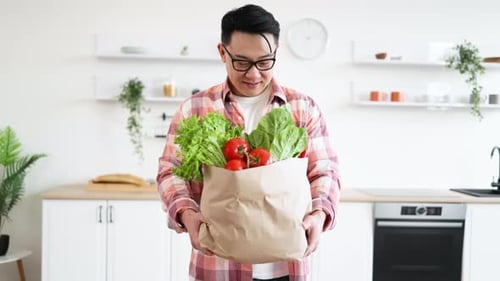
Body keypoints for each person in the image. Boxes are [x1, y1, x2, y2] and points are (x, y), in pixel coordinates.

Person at [157, 4, 341, 281]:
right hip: (218, 264)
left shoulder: (303, 108)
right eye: (241, 62)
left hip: (286, 265)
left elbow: (324, 171)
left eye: (265, 61)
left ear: (276, 53)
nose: (253, 74)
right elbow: (171, 171)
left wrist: (319, 214)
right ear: (222, 53)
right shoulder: (195, 108)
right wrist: (186, 213)